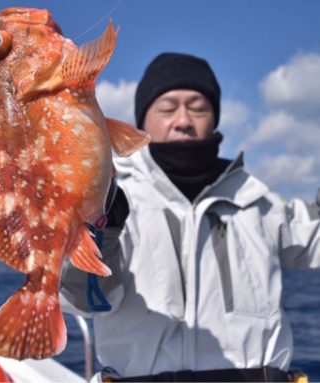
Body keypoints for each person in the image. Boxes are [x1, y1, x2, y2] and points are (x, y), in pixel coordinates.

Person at [59, 52, 320, 382]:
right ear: (142, 120)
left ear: (214, 117)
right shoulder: (112, 194)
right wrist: (102, 230)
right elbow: (85, 301)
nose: (182, 120)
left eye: (197, 107)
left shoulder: (257, 199)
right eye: (167, 108)